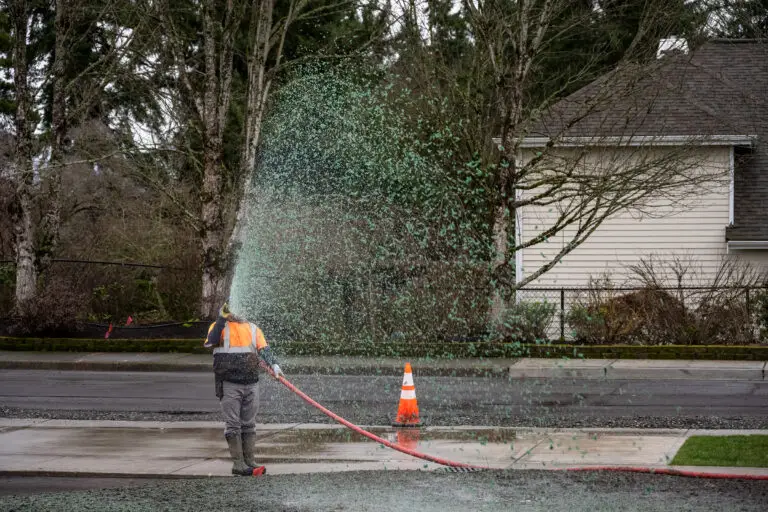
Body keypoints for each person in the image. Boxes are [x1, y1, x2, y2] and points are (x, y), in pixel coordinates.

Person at [204, 303, 284, 476]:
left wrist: (274, 365)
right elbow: (210, 341)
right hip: (229, 382)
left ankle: (250, 460)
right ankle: (238, 464)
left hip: (251, 382)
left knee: (249, 424)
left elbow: (264, 349)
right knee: (233, 424)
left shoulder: (253, 328)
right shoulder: (220, 326)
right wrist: (220, 319)